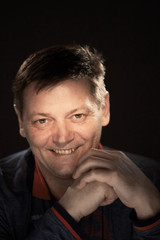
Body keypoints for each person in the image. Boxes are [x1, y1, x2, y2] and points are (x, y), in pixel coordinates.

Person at [0, 44, 160, 240]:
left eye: (77, 116)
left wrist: (152, 211)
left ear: (105, 109)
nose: (62, 138)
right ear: (21, 121)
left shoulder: (155, 180)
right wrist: (68, 212)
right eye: (42, 121)